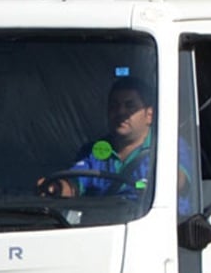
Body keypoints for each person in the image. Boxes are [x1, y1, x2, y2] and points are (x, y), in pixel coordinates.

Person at [39, 76, 192, 212]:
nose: (121, 112)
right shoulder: (95, 151)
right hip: (107, 230)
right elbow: (74, 184)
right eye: (114, 106)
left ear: (149, 115)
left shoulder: (169, 145)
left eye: (130, 106)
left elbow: (178, 182)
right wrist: (56, 188)